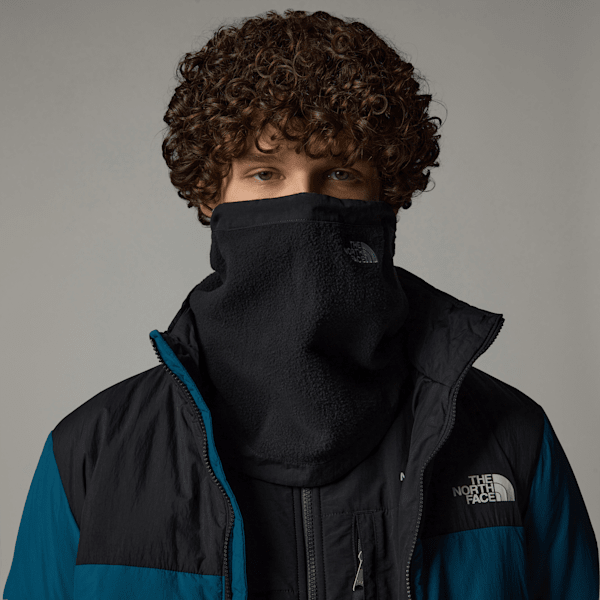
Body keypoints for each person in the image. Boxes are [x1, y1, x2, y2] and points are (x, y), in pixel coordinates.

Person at [4, 9, 598, 600]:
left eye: (339, 173)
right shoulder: (91, 453)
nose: (303, 205)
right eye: (265, 173)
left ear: (386, 195)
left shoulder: (512, 439)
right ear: (211, 195)